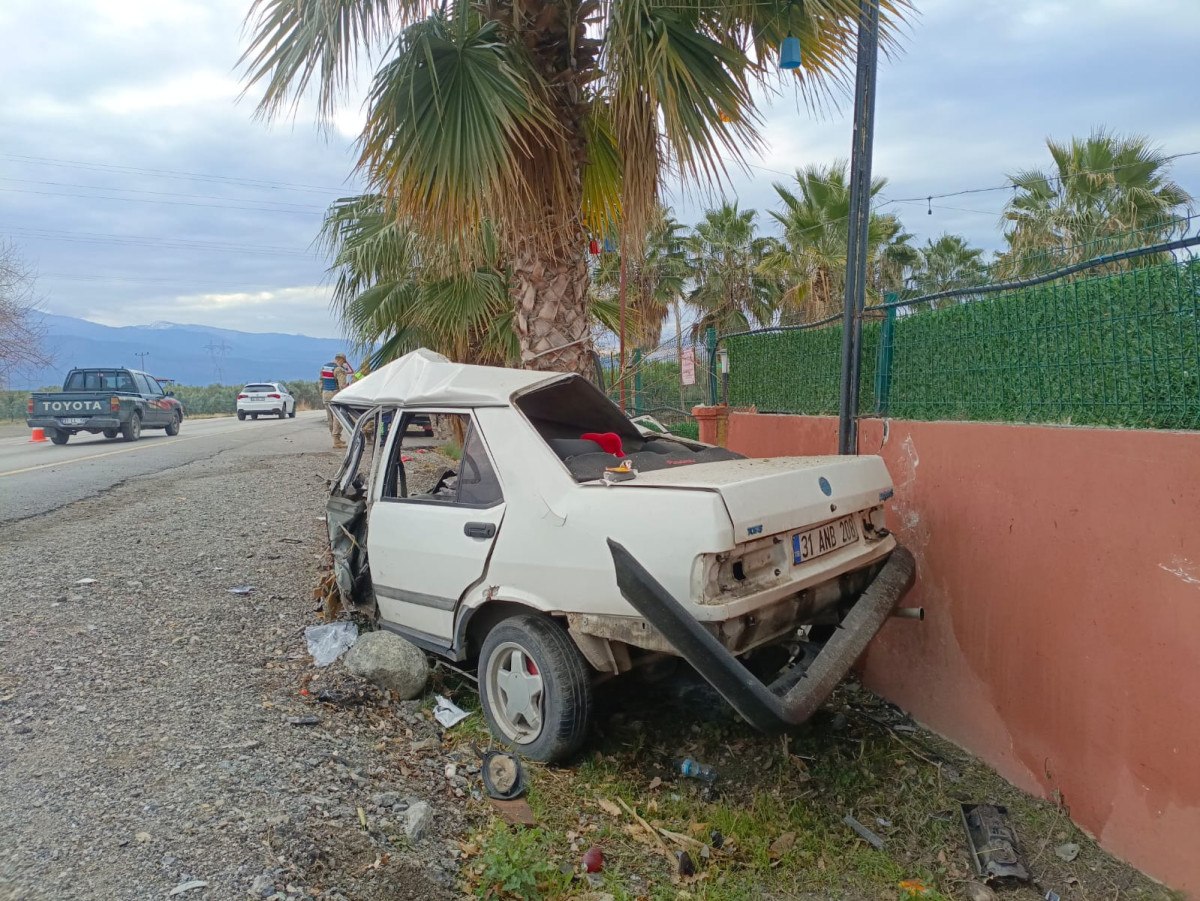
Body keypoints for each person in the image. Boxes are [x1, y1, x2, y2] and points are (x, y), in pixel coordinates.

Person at [320, 353, 354, 449]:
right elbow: (342, 385)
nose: (343, 363)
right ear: (341, 360)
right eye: (343, 362)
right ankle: (336, 439)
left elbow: (321, 382)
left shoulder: (325, 367)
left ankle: (335, 438)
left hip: (325, 394)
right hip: (335, 395)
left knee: (330, 418)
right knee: (338, 417)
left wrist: (322, 393)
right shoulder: (339, 369)